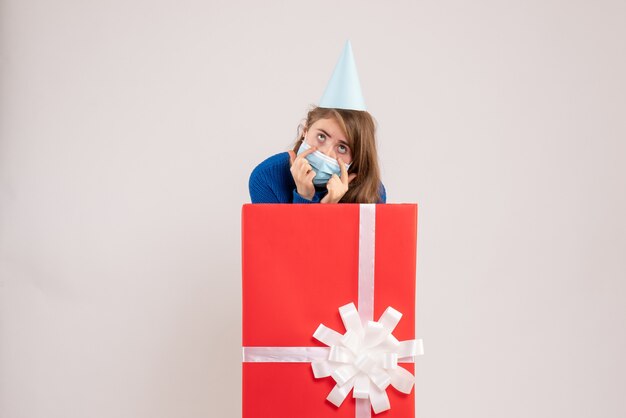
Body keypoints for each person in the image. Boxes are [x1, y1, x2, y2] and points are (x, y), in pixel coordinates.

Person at [248, 41, 386, 204]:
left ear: (356, 158)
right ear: (305, 131)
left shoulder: (371, 191)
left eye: (342, 148)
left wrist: (330, 206)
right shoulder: (267, 177)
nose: (326, 153)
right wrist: (304, 196)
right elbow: (274, 231)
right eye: (321, 136)